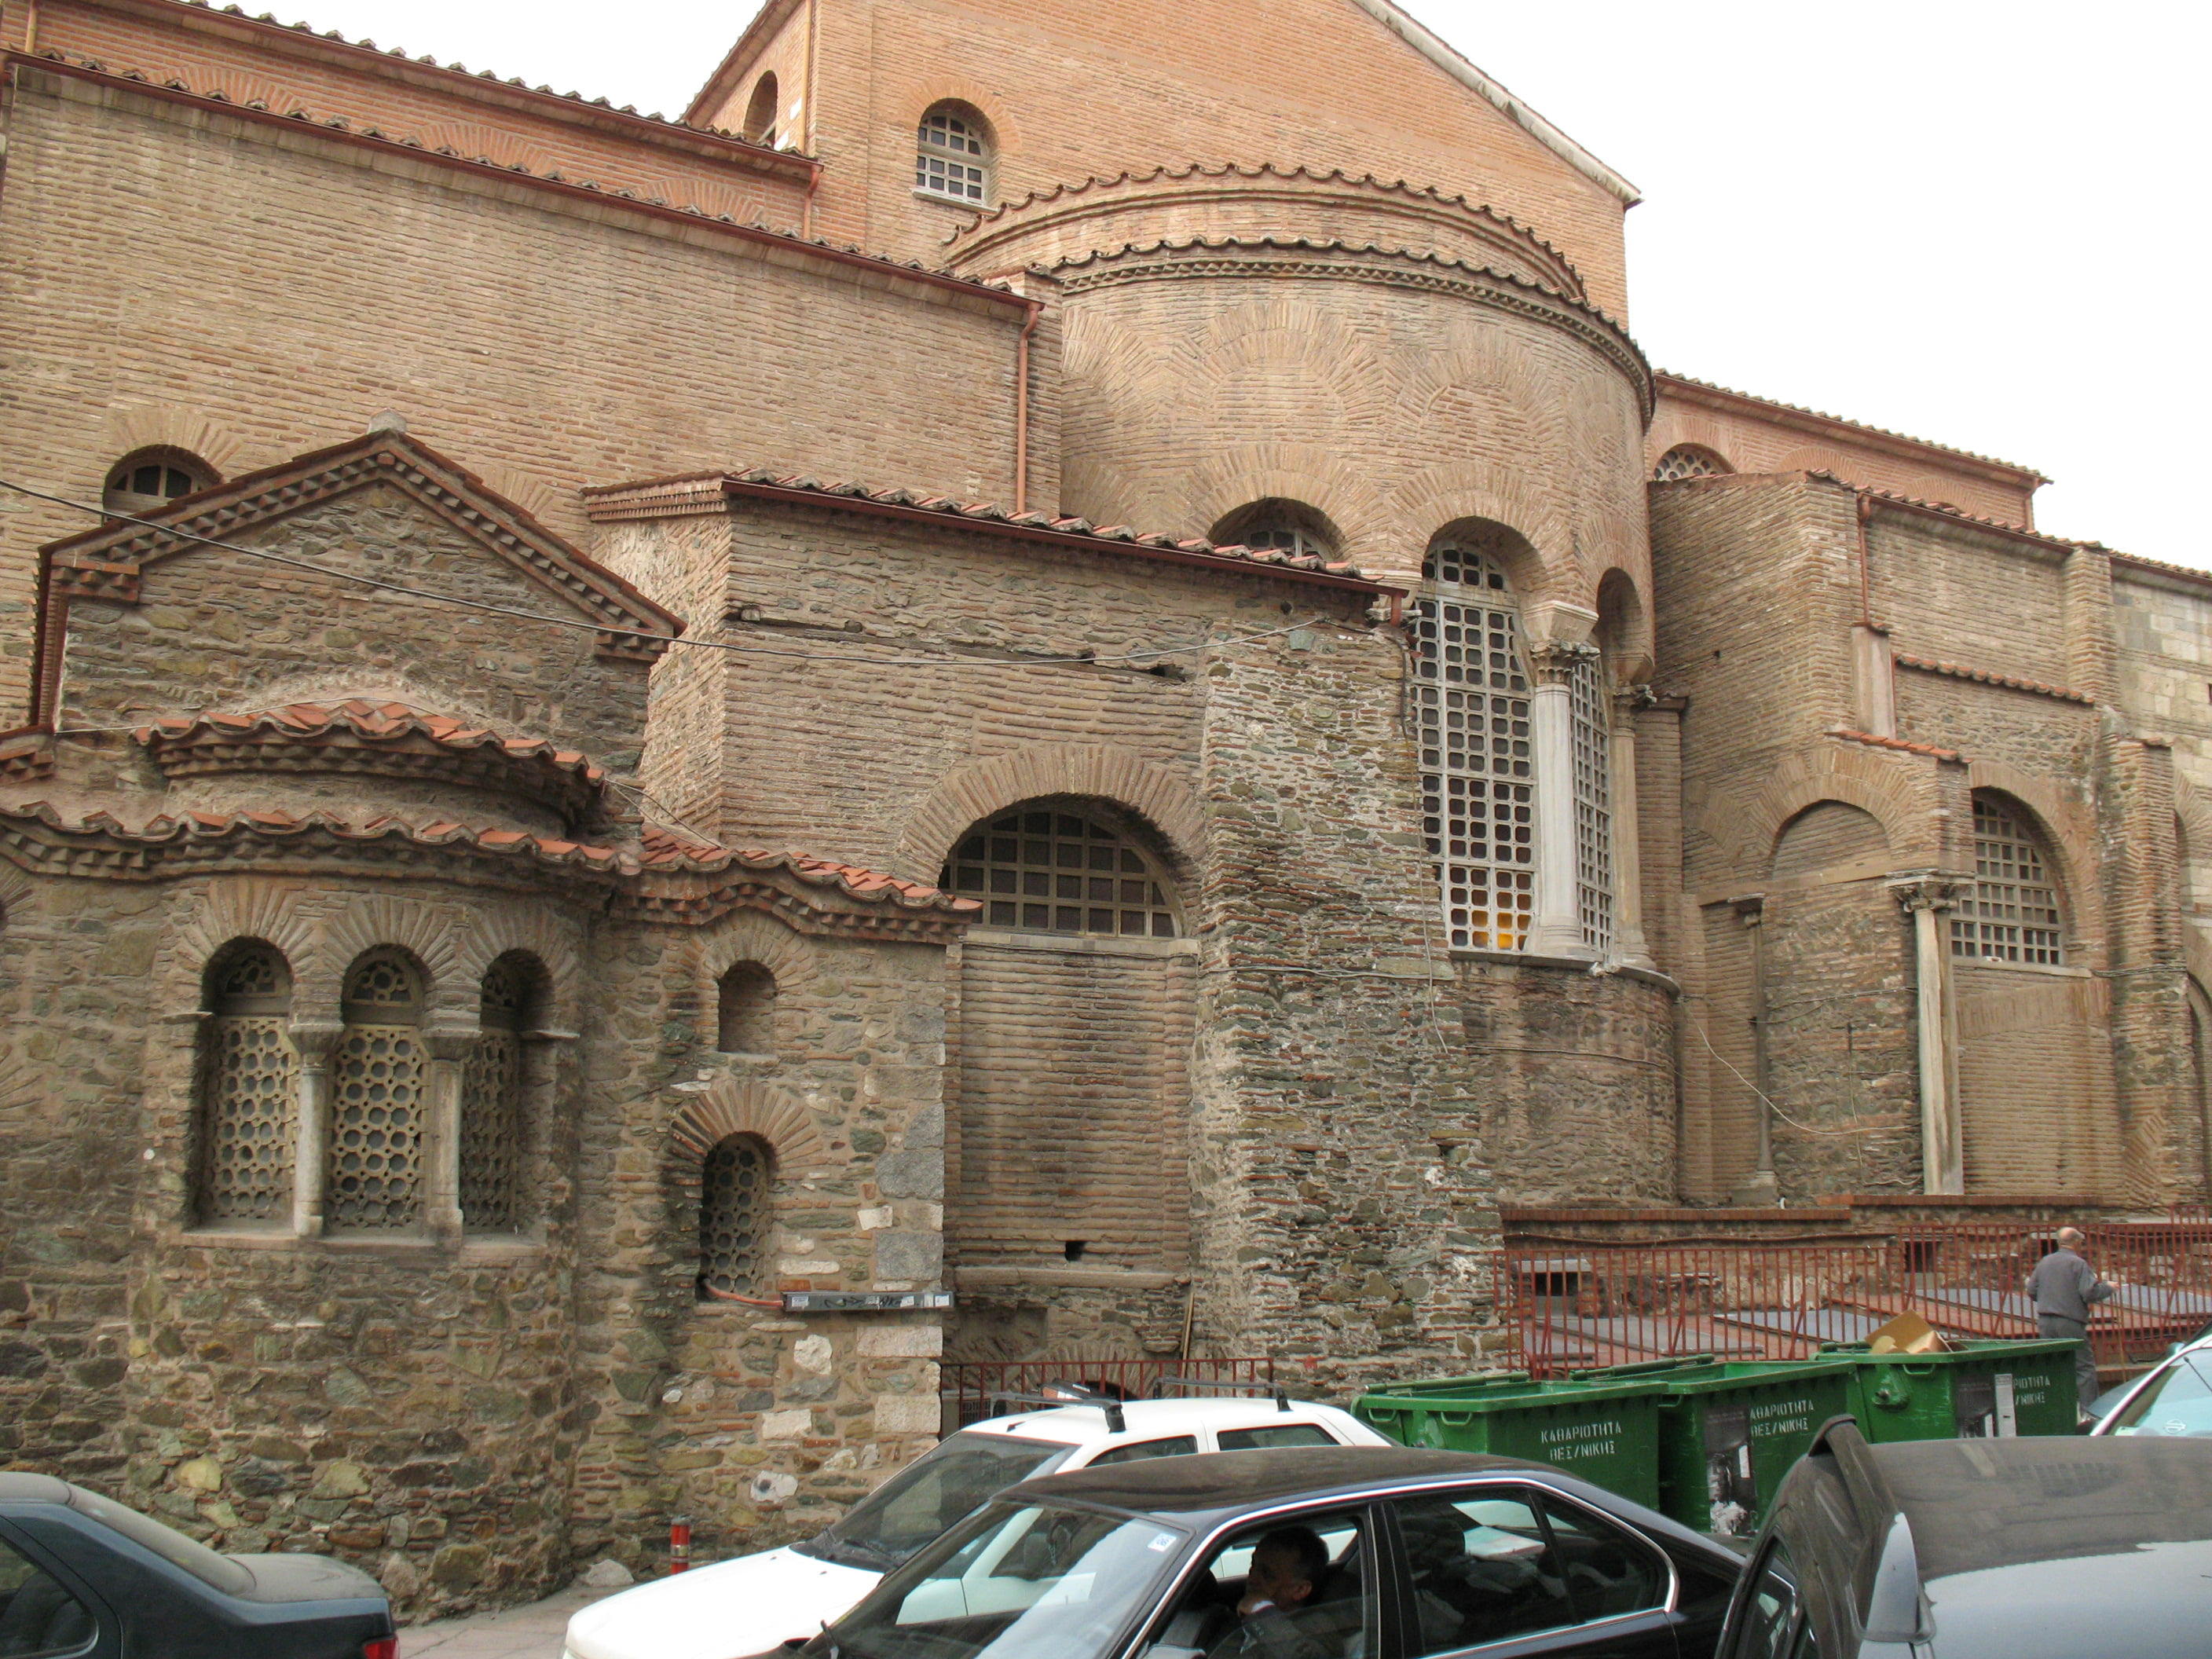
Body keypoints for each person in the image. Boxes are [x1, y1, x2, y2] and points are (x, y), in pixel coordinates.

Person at [1207, 1526, 1333, 1659]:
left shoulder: (1319, 1626)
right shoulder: (1233, 1622)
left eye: (1267, 1574)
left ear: (1300, 1589)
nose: (1252, 1578)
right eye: (1253, 1565)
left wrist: (1261, 1610)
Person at [2027, 1226, 2112, 1418]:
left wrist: (2049, 1299)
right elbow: (2089, 1292)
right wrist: (2108, 1287)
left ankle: (2055, 1413)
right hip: (2070, 1321)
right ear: (2076, 1242)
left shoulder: (2045, 1262)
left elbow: (2031, 1290)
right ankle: (2089, 1414)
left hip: (2045, 1321)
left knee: (2053, 1365)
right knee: (2083, 1368)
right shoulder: (2078, 1263)